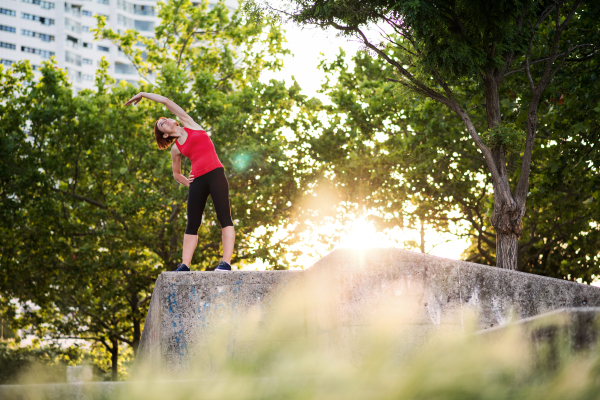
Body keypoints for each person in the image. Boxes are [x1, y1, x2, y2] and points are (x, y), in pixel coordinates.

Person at [125, 92, 235, 272]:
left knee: (224, 217)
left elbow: (166, 101)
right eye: (162, 124)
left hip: (216, 174)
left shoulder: (189, 124)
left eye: (165, 119)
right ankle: (185, 265)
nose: (166, 120)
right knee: (192, 222)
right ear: (165, 135)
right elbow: (176, 174)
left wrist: (143, 94)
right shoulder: (175, 149)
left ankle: (225, 263)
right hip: (197, 181)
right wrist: (189, 182)